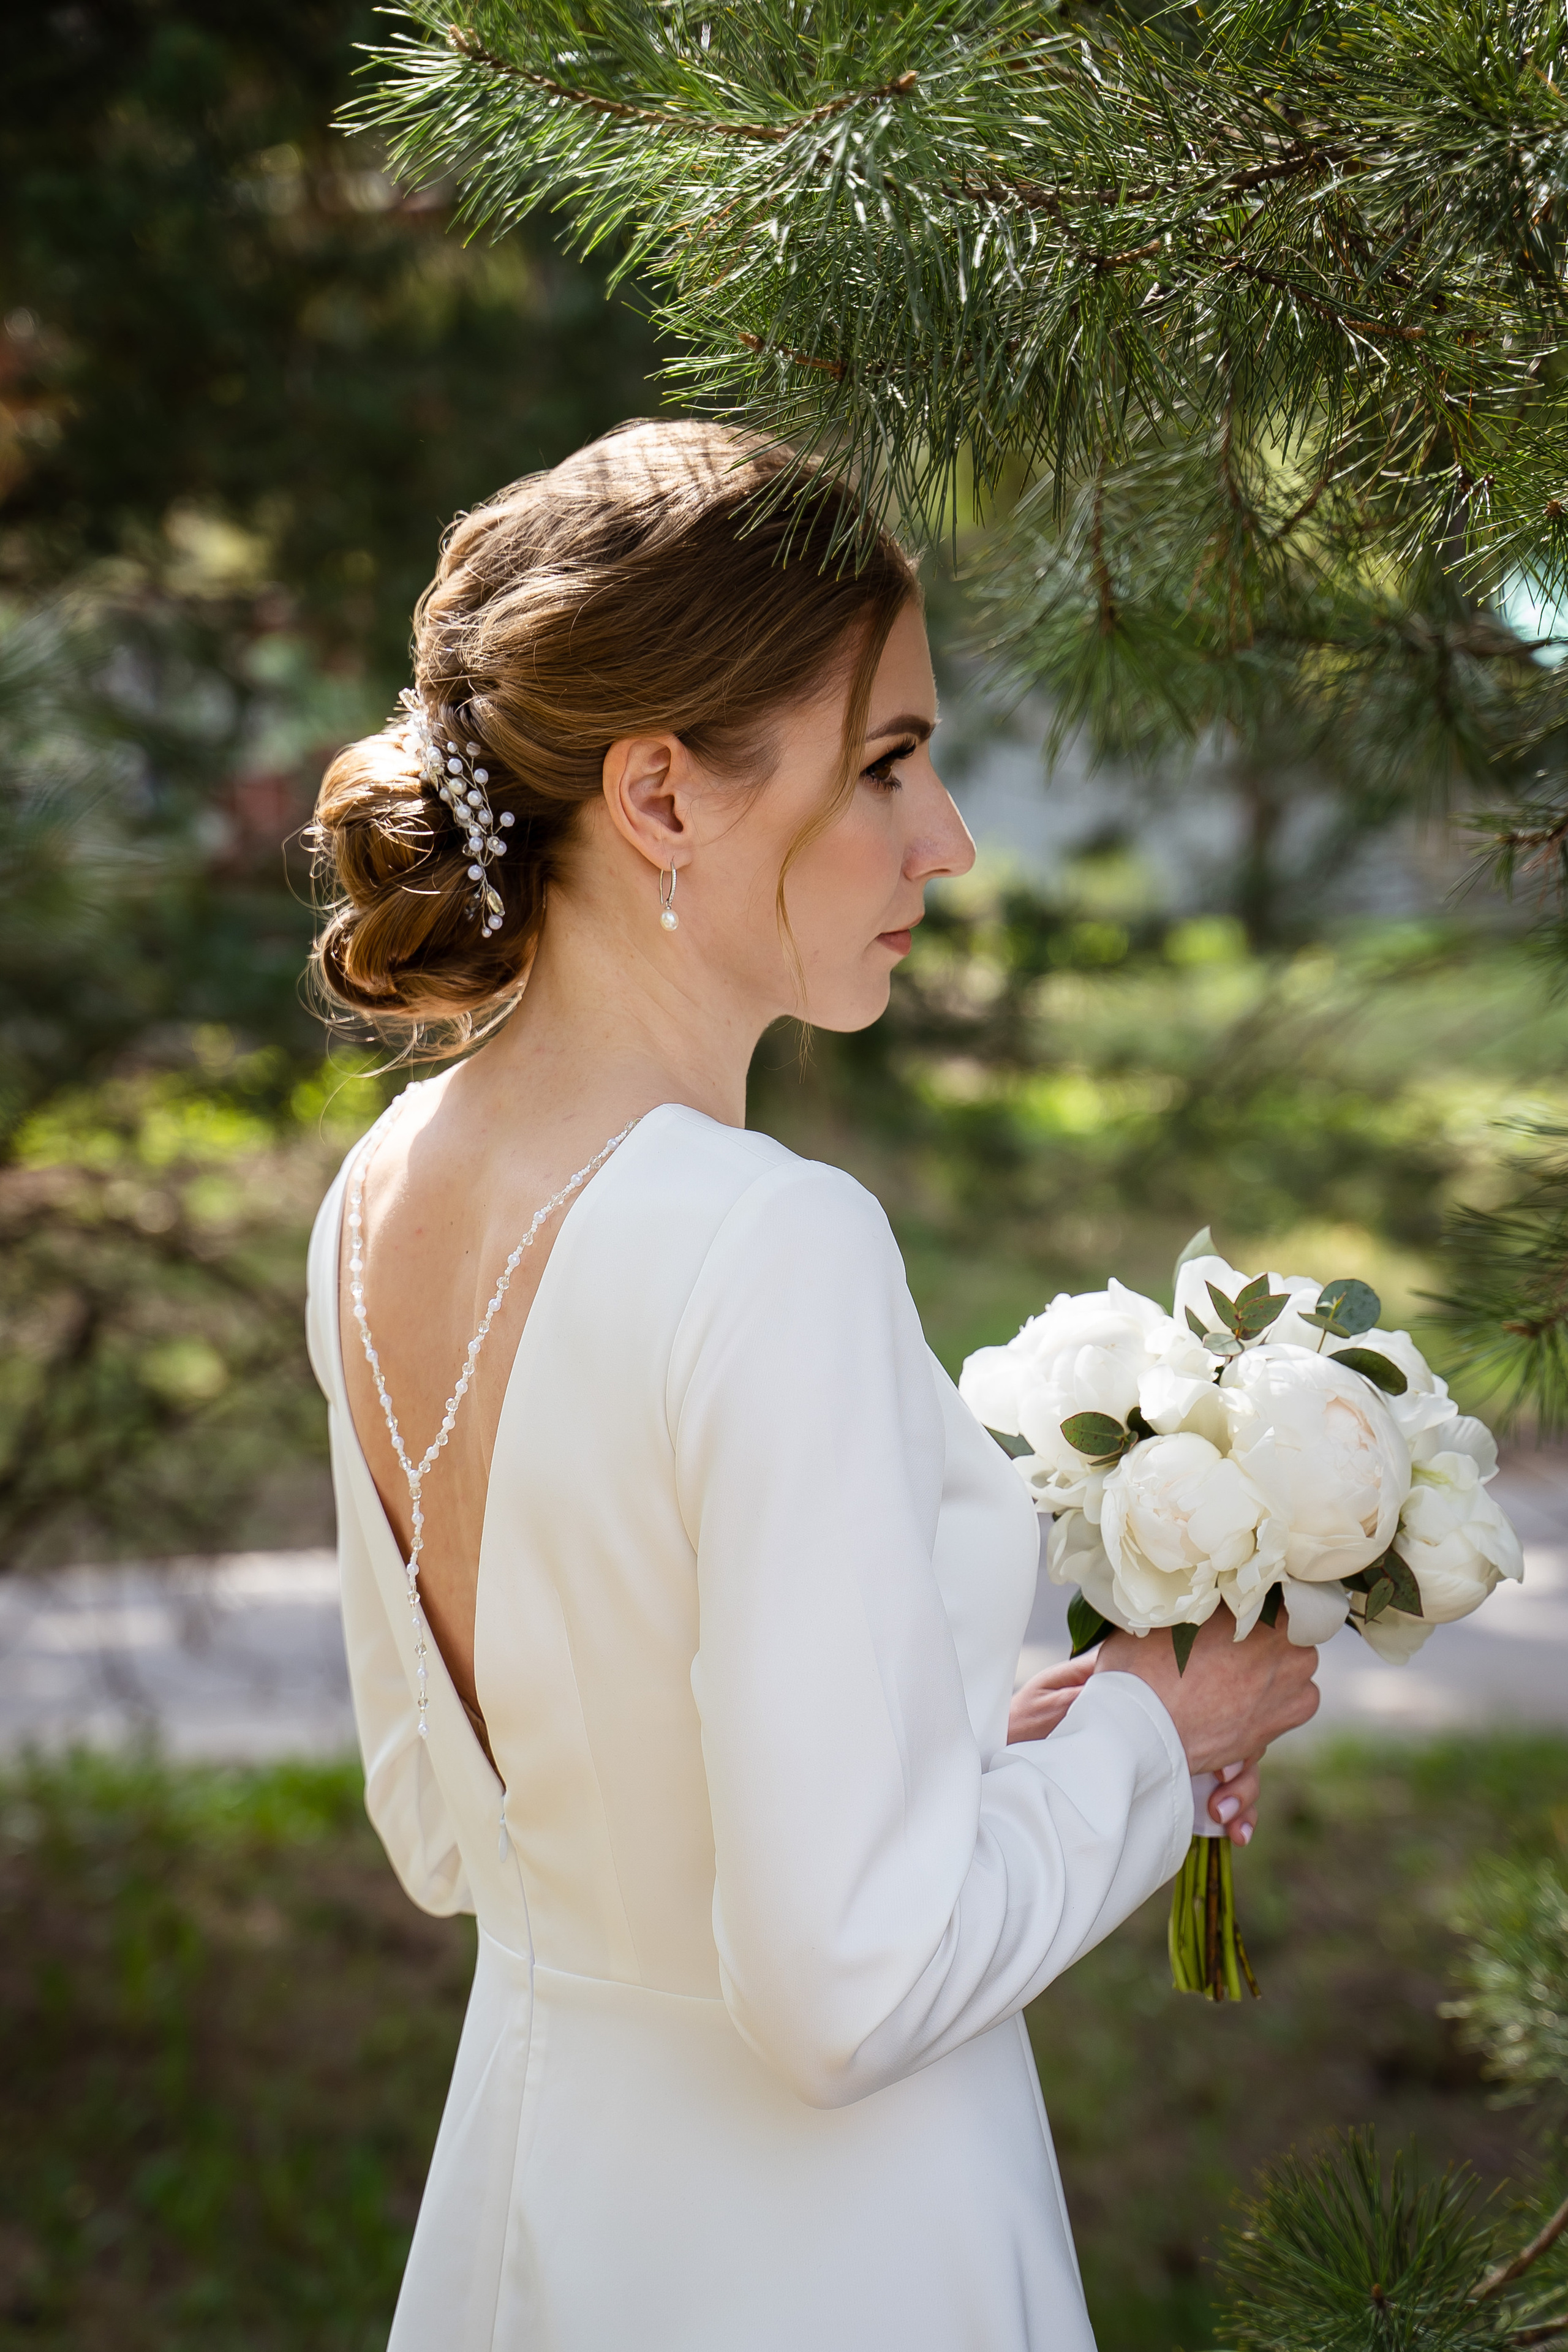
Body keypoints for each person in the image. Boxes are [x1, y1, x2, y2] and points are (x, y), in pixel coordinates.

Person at [304, 420, 1319, 2352]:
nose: (941, 839)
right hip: (821, 2257)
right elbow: (843, 1991)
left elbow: (460, 1833)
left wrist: (974, 1741)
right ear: (665, 797)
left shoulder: (376, 1195)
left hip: (535, 2196)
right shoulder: (774, 1243)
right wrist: (1155, 1736)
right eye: (888, 763)